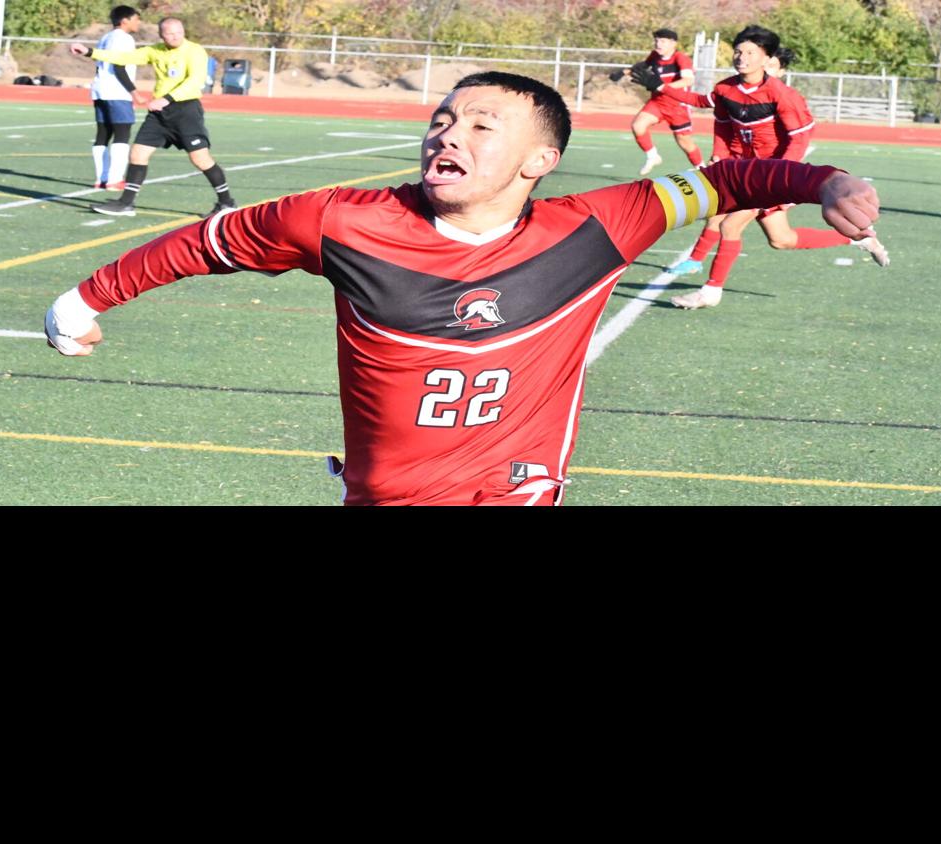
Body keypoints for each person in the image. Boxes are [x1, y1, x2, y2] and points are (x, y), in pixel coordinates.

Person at [43, 72, 883, 506]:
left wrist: (827, 181)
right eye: (443, 120)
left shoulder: (598, 227)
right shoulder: (338, 223)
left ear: (538, 162)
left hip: (514, 487)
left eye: (482, 126)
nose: (448, 135)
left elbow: (729, 179)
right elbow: (205, 243)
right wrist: (81, 302)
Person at [636, 27, 888, 309]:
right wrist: (717, 152)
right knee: (781, 239)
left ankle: (710, 290)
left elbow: (800, 137)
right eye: (738, 51)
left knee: (729, 224)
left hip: (770, 176)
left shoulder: (781, 95)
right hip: (744, 170)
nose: (741, 58)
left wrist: (781, 177)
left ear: (766, 58)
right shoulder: (725, 88)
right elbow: (713, 115)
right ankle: (855, 240)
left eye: (750, 53)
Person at [69, 17, 237, 218]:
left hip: (186, 111)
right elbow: (123, 58)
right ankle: (126, 203)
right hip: (159, 114)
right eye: (170, 33)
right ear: (161, 35)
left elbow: (194, 82)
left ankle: (226, 203)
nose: (176, 36)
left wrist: (167, 99)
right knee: (138, 153)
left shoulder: (195, 51)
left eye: (179, 32)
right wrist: (89, 52)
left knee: (200, 159)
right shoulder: (154, 50)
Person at [623, 28, 703, 176]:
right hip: (657, 102)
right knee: (638, 125)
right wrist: (623, 72)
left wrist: (663, 87)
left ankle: (702, 168)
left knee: (683, 141)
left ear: (673, 43)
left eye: (663, 41)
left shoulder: (681, 58)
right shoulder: (654, 56)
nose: (658, 44)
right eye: (657, 40)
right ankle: (653, 156)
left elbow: (688, 80)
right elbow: (643, 66)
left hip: (677, 105)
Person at [87, 6, 141, 192]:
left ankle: (101, 179)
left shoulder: (106, 37)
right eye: (136, 19)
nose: (138, 23)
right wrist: (133, 91)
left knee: (103, 134)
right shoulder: (124, 38)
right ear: (125, 20)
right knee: (122, 134)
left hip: (100, 89)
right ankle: (115, 179)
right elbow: (119, 67)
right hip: (117, 92)